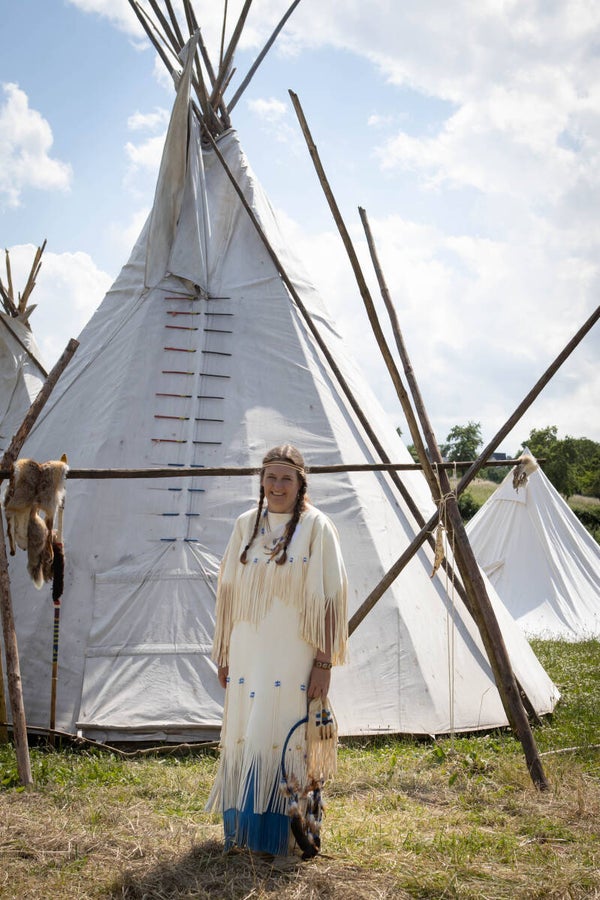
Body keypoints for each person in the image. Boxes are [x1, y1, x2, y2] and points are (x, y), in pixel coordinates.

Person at [206, 444, 348, 857]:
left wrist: (324, 662)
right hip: (249, 656)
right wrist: (227, 654)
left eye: (286, 478)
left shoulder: (317, 528)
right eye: (271, 477)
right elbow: (228, 594)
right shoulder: (245, 525)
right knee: (247, 734)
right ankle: (245, 837)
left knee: (290, 739)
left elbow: (332, 600)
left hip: (294, 658)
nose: (277, 485)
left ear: (301, 482)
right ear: (261, 480)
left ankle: (293, 836)